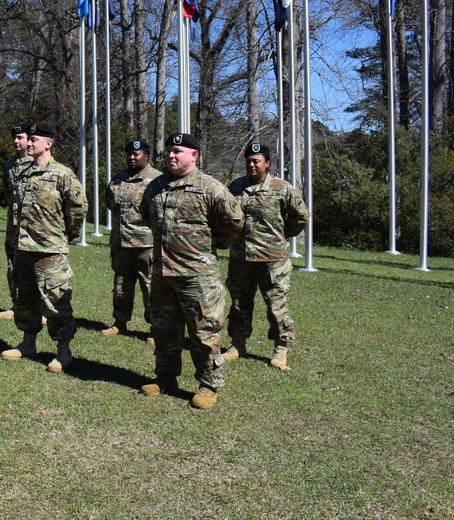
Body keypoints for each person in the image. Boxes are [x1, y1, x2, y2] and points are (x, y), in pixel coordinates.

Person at [139, 133, 243, 410]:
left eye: (178, 151)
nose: (172, 155)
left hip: (197, 275)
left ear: (194, 156)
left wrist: (212, 245)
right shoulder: (156, 186)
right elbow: (146, 215)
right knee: (163, 329)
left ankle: (209, 384)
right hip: (163, 272)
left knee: (203, 332)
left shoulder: (210, 187)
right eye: (170, 151)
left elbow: (233, 221)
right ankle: (165, 377)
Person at [0, 123, 87, 373]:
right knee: (23, 298)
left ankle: (63, 351)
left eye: (34, 140)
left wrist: (65, 235)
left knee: (56, 301)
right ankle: (28, 343)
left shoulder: (62, 174)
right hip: (22, 249)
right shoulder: (21, 172)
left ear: (48, 143)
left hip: (49, 249)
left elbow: (78, 207)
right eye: (28, 140)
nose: (29, 144)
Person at [223, 142, 309, 370]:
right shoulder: (237, 187)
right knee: (240, 303)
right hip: (242, 258)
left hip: (272, 259)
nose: (251, 164)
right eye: (248, 161)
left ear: (267, 164)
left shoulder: (282, 188)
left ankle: (281, 349)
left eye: (256, 161)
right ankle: (237, 344)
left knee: (276, 306)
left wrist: (281, 236)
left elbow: (300, 216)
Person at [102, 140, 162, 340]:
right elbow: (110, 204)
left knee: (150, 286)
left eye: (136, 154)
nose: (132, 157)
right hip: (121, 242)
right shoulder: (118, 179)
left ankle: (155, 327)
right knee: (121, 285)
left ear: (146, 156)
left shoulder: (158, 180)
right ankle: (120, 322)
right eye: (129, 154)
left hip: (146, 244)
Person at [0, 123, 32, 320]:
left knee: (35, 267)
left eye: (21, 138)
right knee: (13, 264)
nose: (16, 141)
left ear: (30, 140)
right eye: (15, 138)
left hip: (33, 225)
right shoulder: (10, 163)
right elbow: (7, 191)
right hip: (13, 224)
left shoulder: (36, 163)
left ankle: (41, 309)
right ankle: (16, 305)